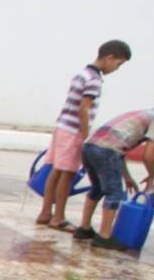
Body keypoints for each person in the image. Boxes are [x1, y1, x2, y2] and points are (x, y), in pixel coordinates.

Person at [36, 39, 130, 232]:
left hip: (62, 127)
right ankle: (58, 217)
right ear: (109, 58)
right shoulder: (94, 80)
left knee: (55, 170)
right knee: (67, 174)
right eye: (118, 64)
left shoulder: (81, 74)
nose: (117, 68)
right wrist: (86, 135)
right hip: (74, 130)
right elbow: (84, 108)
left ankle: (46, 212)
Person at [75, 91, 154, 247]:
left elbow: (119, 149)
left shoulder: (141, 113)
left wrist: (127, 177)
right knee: (114, 193)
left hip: (89, 147)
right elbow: (148, 155)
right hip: (107, 151)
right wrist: (151, 175)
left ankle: (84, 228)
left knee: (98, 188)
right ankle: (104, 235)